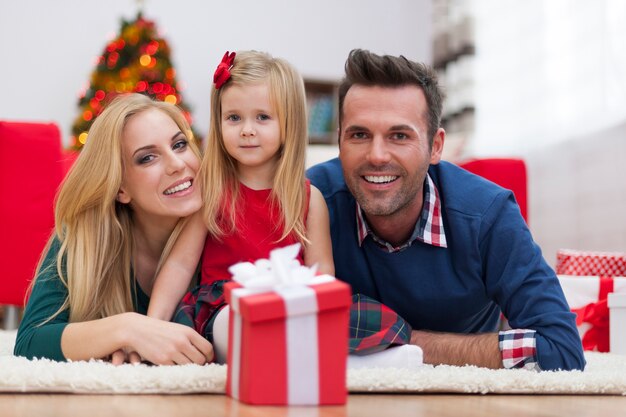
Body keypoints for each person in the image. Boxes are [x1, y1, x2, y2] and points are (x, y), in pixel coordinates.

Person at [307, 49, 585, 371]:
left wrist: (403, 344)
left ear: (436, 146)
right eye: (359, 135)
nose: (377, 155)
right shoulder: (309, 200)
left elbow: (561, 349)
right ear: (339, 140)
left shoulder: (489, 215)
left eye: (399, 135)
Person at [147, 51, 334, 349]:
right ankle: (274, 352)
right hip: (224, 307)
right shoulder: (210, 190)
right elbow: (180, 265)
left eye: (262, 117)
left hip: (291, 306)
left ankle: (358, 358)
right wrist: (152, 326)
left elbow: (322, 272)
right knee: (237, 322)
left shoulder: (310, 199)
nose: (247, 129)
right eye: (234, 118)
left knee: (350, 326)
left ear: (289, 123)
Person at [14, 94, 214, 365]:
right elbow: (29, 341)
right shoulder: (85, 236)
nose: (177, 164)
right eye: (147, 158)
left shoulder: (226, 227)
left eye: (179, 145)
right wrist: (128, 329)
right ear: (120, 188)